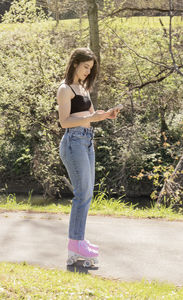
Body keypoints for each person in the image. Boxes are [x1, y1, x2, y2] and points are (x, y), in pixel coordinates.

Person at [57, 47, 120, 267]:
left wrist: (106, 115)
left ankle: (78, 241)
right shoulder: (65, 90)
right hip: (73, 142)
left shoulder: (83, 89)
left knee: (87, 194)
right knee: (82, 195)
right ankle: (75, 243)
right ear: (75, 63)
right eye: (85, 67)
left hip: (87, 141)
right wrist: (91, 116)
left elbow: (91, 117)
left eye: (90, 68)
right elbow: (64, 121)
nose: (87, 71)